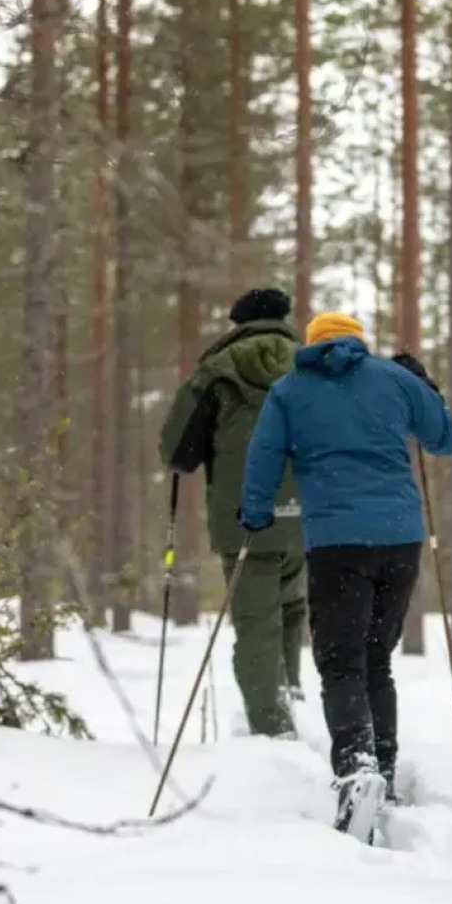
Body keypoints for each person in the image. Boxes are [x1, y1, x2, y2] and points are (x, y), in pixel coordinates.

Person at [239, 311, 452, 842]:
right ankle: (381, 767)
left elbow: (265, 455)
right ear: (358, 342)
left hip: (337, 542)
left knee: (341, 663)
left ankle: (357, 767)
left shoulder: (290, 390)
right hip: (400, 538)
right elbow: (446, 438)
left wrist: (255, 513)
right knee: (375, 659)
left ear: (312, 344)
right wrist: (425, 385)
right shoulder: (394, 378)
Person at [158, 287, 306, 739]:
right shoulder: (313, 367)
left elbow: (177, 452)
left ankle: (273, 729)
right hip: (310, 515)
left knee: (257, 624)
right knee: (291, 607)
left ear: (238, 323)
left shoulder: (217, 371)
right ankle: (293, 701)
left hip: (245, 518)